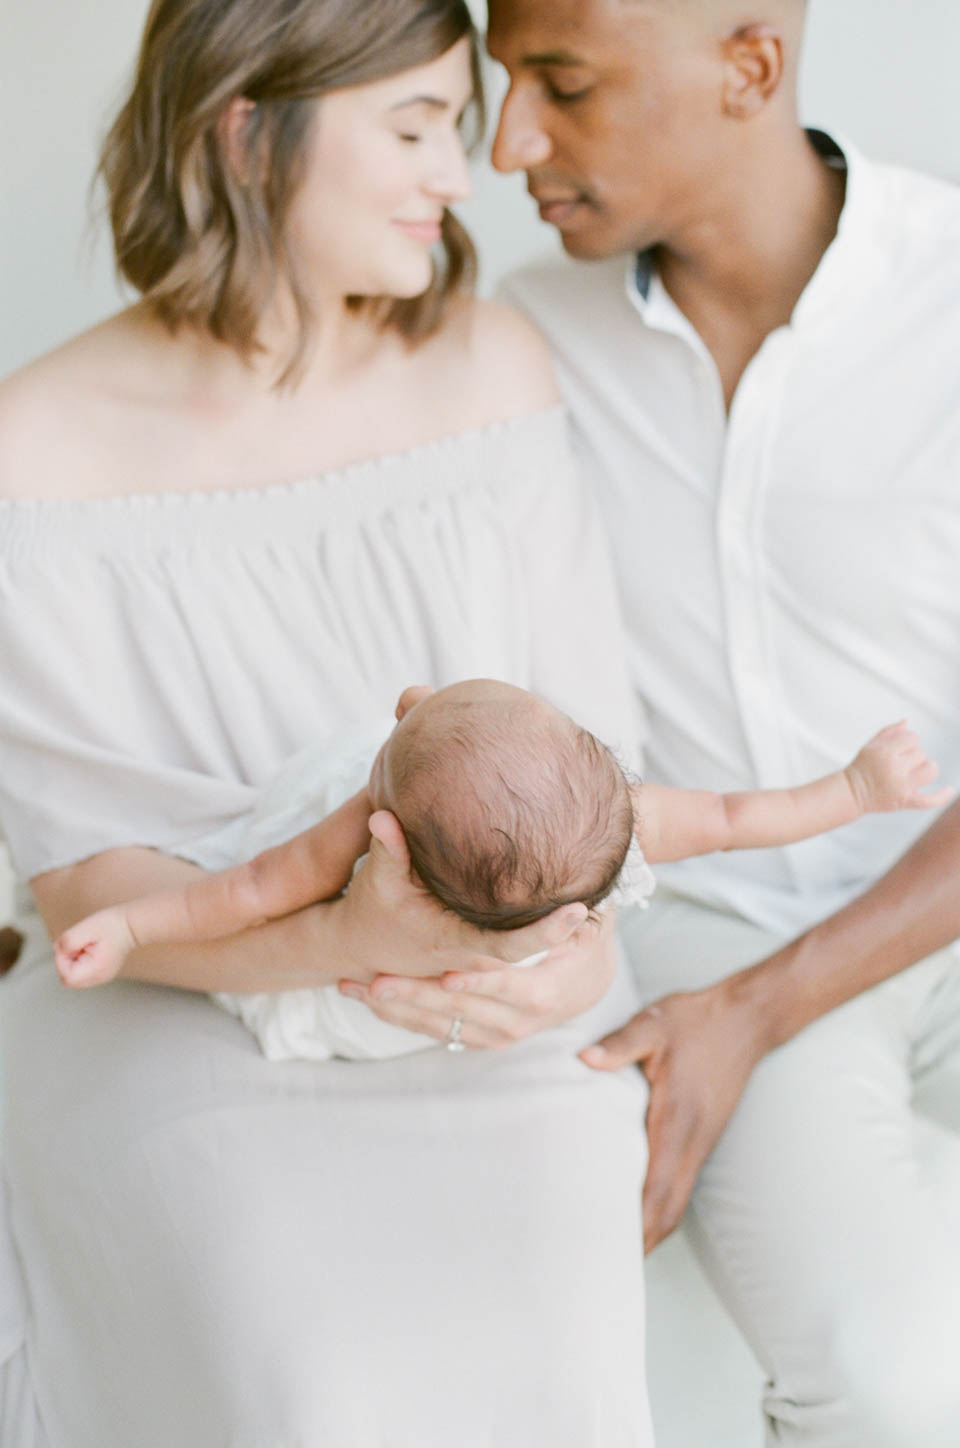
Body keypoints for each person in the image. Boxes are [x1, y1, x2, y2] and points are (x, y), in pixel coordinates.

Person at [0, 1, 658, 1443]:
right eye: (416, 126)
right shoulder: (33, 448)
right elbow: (91, 893)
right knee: (296, 1355)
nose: (462, 173)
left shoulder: (491, 368)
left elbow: (600, 770)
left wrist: (565, 966)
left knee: (557, 1301)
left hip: (504, 1009)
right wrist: (342, 944)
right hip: (177, 1013)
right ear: (249, 132)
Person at [427, 0, 957, 1442]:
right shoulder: (521, 341)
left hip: (915, 909)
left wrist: (755, 1011)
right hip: (707, 915)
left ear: (751, 67)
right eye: (502, 84)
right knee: (894, 1382)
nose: (510, 141)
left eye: (565, 83)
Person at [55, 672, 945, 1064]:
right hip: (457, 980)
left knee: (265, 902)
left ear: (386, 819)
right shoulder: (623, 820)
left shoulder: (360, 831)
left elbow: (242, 894)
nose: (411, 698)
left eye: (410, 720)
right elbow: (739, 817)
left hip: (376, 1000)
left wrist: (132, 923)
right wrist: (855, 788)